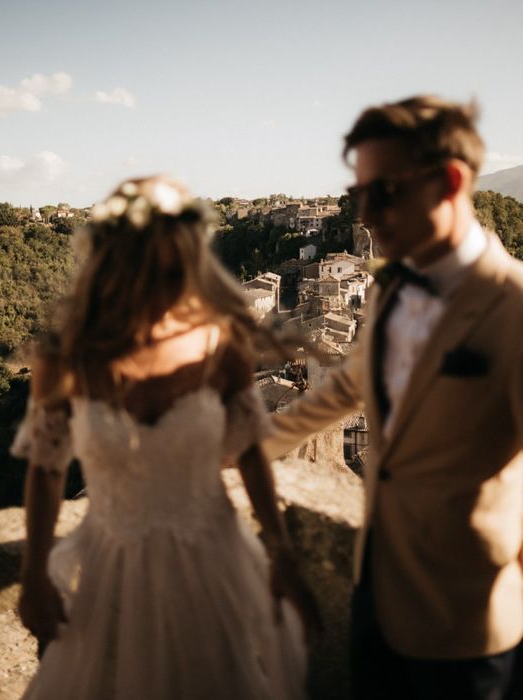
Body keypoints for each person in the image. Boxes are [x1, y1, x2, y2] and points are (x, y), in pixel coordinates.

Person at [10, 175, 319, 699]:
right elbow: (45, 470)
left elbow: (249, 454)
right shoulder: (66, 360)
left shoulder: (220, 344)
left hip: (212, 560)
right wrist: (34, 575)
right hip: (114, 568)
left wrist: (282, 552)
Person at [260, 95, 523, 699]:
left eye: (381, 194)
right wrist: (248, 441)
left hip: (469, 624)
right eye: (358, 197)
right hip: (375, 596)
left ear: (449, 182)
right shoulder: (390, 289)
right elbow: (351, 386)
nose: (366, 217)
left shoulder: (512, 310)